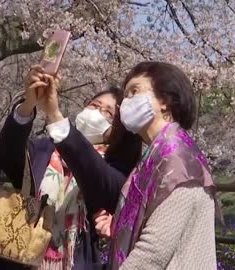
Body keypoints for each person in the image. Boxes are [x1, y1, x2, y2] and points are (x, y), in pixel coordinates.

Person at [0, 66, 142, 270]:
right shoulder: (44, 148)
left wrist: (55, 115)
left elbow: (96, 177)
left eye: (108, 113)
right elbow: (9, 157)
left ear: (120, 129)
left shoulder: (118, 169)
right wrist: (28, 105)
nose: (96, 113)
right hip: (18, 257)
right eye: (94, 105)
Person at [93, 61, 219, 270]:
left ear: (165, 101)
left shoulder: (178, 161)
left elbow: (153, 252)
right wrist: (118, 226)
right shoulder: (155, 156)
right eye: (126, 96)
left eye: (135, 91)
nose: (126, 102)